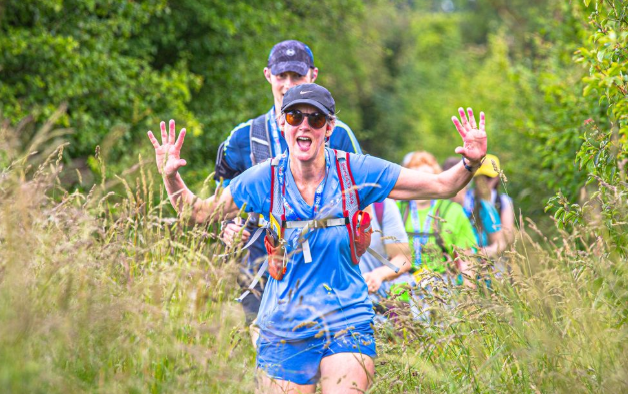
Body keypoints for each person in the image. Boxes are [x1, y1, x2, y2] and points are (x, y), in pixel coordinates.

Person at [146, 82, 488, 393]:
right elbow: (198, 213)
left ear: (330, 128)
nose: (305, 125)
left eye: (316, 118)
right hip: (282, 326)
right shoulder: (264, 178)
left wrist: (471, 163)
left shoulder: (356, 170)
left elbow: (444, 186)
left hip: (347, 321)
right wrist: (171, 178)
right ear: (283, 125)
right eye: (295, 116)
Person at [214, 40, 362, 326]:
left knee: (323, 347)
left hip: (323, 261)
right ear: (268, 75)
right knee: (263, 346)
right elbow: (221, 193)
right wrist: (227, 227)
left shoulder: (338, 134)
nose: (288, 85)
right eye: (282, 76)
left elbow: (360, 194)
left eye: (297, 76)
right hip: (260, 259)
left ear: (313, 75)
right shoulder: (244, 138)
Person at [398, 151, 477, 286]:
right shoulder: (397, 208)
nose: (421, 182)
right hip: (400, 290)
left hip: (442, 289)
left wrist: (469, 298)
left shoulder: (453, 211)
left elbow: (467, 260)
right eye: (415, 176)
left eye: (427, 176)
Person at [357, 199, 412, 313]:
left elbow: (403, 259)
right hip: (331, 307)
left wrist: (379, 275)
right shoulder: (317, 208)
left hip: (379, 305)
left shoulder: (383, 206)